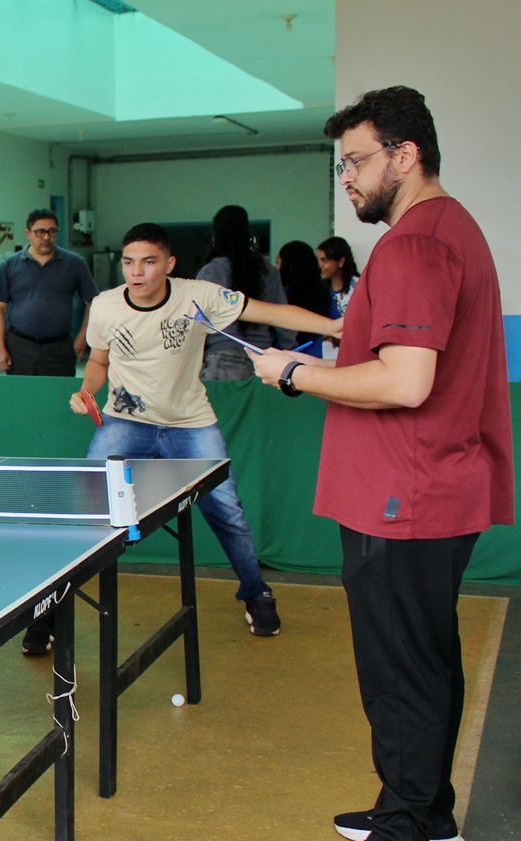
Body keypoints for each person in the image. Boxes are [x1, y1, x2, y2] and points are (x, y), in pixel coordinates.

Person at [250, 87, 512, 841]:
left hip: (406, 493)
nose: (348, 180)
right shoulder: (450, 229)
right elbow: (389, 340)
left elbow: (405, 378)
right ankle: (426, 812)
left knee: (399, 673)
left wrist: (293, 371)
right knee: (426, 660)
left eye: (357, 161)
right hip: (428, 487)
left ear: (406, 155)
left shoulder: (412, 246)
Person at [20, 222, 339, 656]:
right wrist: (86, 391)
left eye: (149, 262)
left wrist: (334, 327)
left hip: (190, 423)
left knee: (226, 509)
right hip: (124, 423)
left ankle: (256, 593)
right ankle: (52, 612)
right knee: (90, 516)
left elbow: (268, 312)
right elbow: (98, 361)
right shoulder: (106, 306)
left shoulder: (199, 295)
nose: (137, 272)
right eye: (129, 262)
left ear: (168, 265)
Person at [0, 209, 99, 377]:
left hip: (60, 347)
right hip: (20, 348)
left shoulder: (74, 263)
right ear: (28, 233)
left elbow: (94, 303)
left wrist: (82, 338)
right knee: (22, 397)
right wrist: (0, 349)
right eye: (40, 232)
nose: (46, 237)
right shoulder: (10, 265)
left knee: (58, 398)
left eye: (52, 231)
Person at [195, 206, 294, 380]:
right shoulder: (269, 271)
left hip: (220, 359)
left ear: (216, 236)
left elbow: (196, 321)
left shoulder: (211, 271)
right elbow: (283, 318)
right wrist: (290, 354)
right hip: (262, 360)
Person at [276, 241, 331, 351]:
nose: (276, 267)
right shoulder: (323, 294)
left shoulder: (280, 294)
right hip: (315, 358)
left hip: (282, 358)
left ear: (286, 265)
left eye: (278, 262)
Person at [316, 235, 360, 321]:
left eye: (324, 260)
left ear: (341, 261)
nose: (320, 265)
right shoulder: (320, 289)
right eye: (319, 260)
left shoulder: (358, 287)